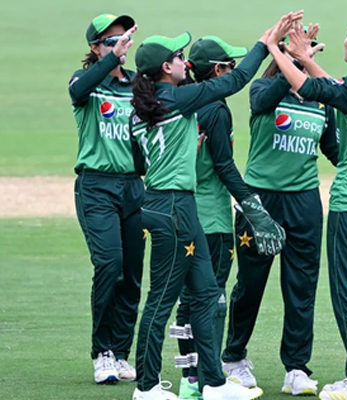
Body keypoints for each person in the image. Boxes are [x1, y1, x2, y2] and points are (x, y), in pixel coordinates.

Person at [129, 13, 299, 400]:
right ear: (165, 68)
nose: (183, 61)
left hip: (171, 205)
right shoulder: (177, 98)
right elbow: (235, 82)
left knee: (206, 294)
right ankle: (147, 387)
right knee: (161, 300)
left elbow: (140, 164)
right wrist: (264, 45)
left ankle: (213, 383)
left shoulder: (140, 109)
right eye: (178, 57)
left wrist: (181, 150)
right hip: (174, 208)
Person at [265, 4, 347, 399]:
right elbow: (336, 89)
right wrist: (307, 59)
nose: (344, 41)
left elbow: (313, 89)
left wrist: (277, 50)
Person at [220, 26, 337, 397]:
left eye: (307, 51)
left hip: (304, 202)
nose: (305, 56)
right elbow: (263, 101)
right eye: (295, 51)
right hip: (261, 202)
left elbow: (335, 150)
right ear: (281, 55)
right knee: (250, 284)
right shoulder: (263, 89)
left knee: (301, 287)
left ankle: (297, 368)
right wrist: (292, 64)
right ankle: (234, 358)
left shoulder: (320, 101)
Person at [170, 35, 281, 400]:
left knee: (188, 299)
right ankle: (210, 379)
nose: (233, 70)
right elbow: (224, 167)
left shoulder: (181, 101)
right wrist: (254, 208)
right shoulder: (215, 109)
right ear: (218, 71)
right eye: (230, 66)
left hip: (180, 214)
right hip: (211, 219)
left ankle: (190, 380)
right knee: (211, 298)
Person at [69, 13, 142, 384]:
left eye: (123, 38)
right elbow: (77, 91)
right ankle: (102, 352)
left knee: (132, 274)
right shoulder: (85, 82)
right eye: (111, 41)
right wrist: (112, 58)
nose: (120, 45)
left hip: (133, 186)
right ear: (95, 47)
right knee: (110, 264)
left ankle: (121, 352)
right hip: (96, 186)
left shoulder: (137, 84)